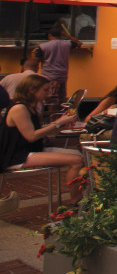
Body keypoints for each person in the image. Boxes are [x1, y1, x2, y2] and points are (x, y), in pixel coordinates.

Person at [0, 74, 85, 205]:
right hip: (17, 154)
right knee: (76, 160)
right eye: (45, 90)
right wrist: (58, 123)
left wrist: (60, 123)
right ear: (31, 90)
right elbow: (31, 136)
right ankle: (77, 201)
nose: (48, 93)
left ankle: (80, 196)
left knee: (79, 155)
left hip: (30, 150)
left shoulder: (31, 107)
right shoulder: (19, 108)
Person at [39, 25, 81, 104]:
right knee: (62, 97)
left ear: (49, 35)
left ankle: (51, 114)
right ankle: (60, 113)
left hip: (48, 75)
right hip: (62, 75)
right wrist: (67, 35)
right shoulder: (67, 44)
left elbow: (36, 57)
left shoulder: (43, 46)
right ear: (60, 35)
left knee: (51, 98)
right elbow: (78, 43)